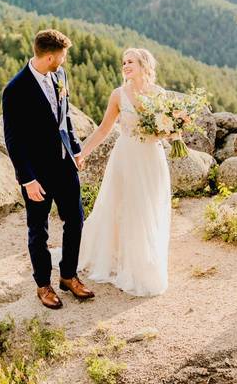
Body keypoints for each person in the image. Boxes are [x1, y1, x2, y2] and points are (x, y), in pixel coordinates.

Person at [2, 29, 95, 309]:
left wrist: (76, 149)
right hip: (37, 174)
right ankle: (43, 285)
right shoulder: (15, 89)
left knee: (76, 220)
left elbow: (65, 115)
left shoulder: (60, 76)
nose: (65, 60)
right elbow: (13, 140)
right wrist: (27, 179)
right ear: (51, 56)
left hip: (65, 164)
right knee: (38, 231)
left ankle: (69, 275)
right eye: (63, 56)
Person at [77, 48, 172, 296]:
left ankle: (146, 259)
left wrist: (171, 131)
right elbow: (103, 129)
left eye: (130, 61)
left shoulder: (159, 94)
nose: (126, 65)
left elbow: (170, 131)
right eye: (123, 62)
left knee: (148, 206)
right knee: (124, 206)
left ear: (143, 65)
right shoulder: (118, 95)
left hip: (151, 158)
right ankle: (122, 258)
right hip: (126, 157)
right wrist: (83, 152)